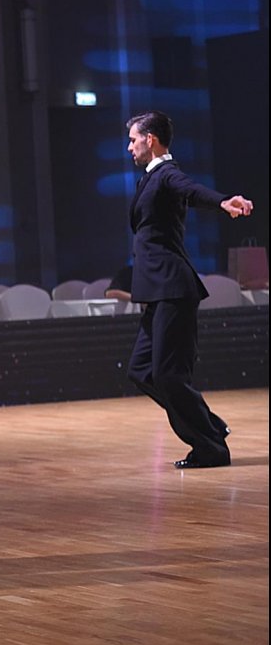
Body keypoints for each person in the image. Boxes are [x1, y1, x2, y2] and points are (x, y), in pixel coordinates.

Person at [124, 111, 253, 469]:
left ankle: (211, 447)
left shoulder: (167, 173)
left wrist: (222, 202)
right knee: (141, 370)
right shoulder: (151, 178)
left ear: (150, 139)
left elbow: (190, 190)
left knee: (168, 374)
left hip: (173, 287)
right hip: (158, 288)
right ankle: (209, 426)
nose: (129, 147)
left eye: (133, 140)